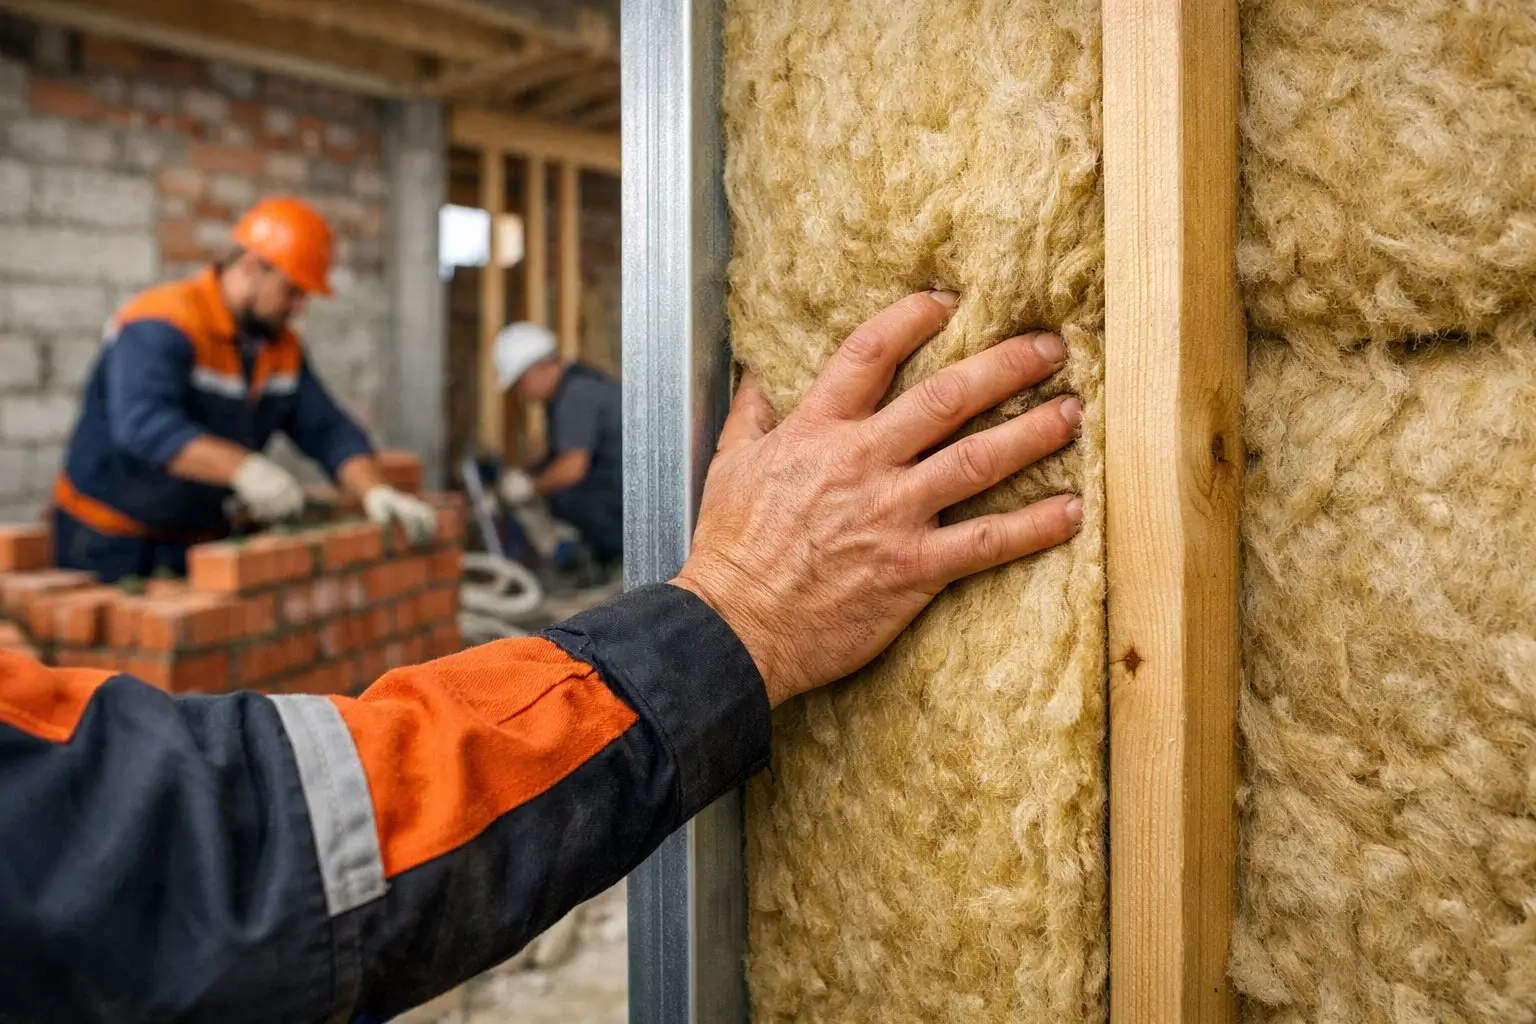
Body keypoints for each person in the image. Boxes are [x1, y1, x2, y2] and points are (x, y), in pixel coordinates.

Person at [0, 291, 1085, 1022]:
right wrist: (733, 615)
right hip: (117, 528)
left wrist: (728, 612)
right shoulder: (159, 330)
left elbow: (238, 844)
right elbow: (230, 863)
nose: (292, 310)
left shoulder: (302, 347)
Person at [51, 196, 439, 582]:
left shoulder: (278, 347)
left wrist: (374, 492)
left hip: (193, 542)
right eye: (292, 291)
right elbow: (144, 424)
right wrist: (246, 471)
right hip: (104, 538)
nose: (299, 307)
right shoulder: (162, 323)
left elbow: (327, 429)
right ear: (252, 267)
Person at [493, 321, 623, 565]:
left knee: (563, 498)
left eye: (520, 382)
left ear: (537, 368)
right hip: (622, 497)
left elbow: (572, 469)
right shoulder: (580, 385)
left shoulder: (575, 396)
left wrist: (529, 487)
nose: (521, 393)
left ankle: (585, 562)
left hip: (621, 510)